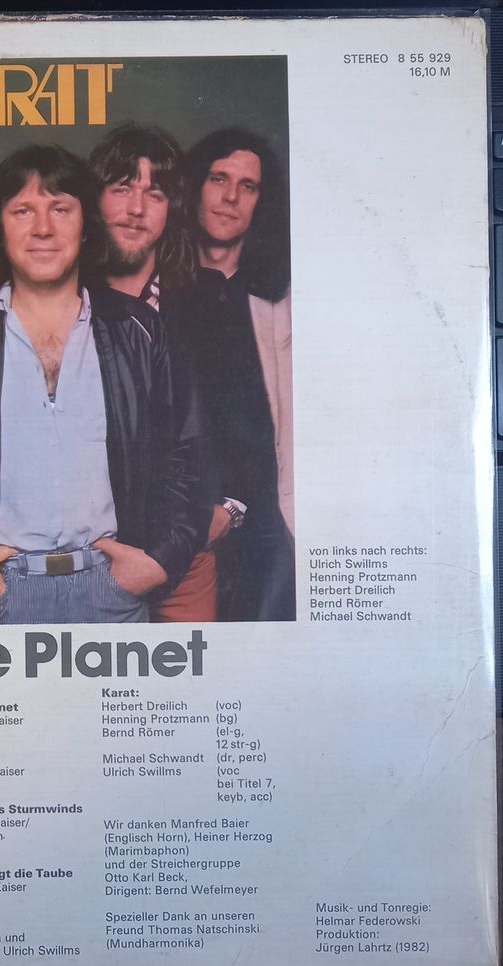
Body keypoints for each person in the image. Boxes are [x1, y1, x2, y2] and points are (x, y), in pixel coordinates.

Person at [0, 144, 210, 625]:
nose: (42, 229)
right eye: (23, 211)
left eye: (60, 209)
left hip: (113, 591)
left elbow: (189, 455)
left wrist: (158, 561)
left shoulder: (139, 331)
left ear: (85, 224)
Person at [90, 123, 224, 622]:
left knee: (189, 671)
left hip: (188, 554)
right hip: (92, 557)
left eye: (155, 193)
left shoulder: (208, 297)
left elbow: (248, 421)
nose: (136, 208)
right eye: (122, 188)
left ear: (172, 208)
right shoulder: (61, 293)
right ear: (95, 198)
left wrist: (228, 510)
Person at [174, 127, 295, 620]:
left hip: (265, 525)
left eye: (248, 186)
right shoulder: (161, 292)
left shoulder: (281, 300)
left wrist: (235, 509)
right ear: (194, 187)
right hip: (177, 526)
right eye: (219, 179)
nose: (230, 197)